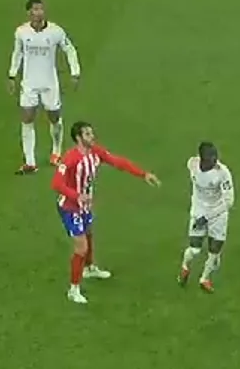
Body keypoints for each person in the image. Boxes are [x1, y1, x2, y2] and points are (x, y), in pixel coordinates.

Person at [50, 121, 160, 304]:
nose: (92, 136)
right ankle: (73, 289)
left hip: (85, 205)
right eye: (87, 134)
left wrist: (143, 174)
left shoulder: (95, 152)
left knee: (88, 233)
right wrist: (77, 195)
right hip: (70, 207)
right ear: (78, 138)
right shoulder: (70, 158)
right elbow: (56, 183)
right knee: (81, 247)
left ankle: (89, 268)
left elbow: (118, 162)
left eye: (91, 133)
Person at [10, 0, 80, 173]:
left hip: (49, 83)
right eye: (35, 9)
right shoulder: (21, 32)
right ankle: (30, 162)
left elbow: (69, 49)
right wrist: (12, 75)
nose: (39, 12)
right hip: (29, 83)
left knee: (54, 117)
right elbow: (17, 53)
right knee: (27, 118)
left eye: (41, 9)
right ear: (29, 12)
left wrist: (75, 72)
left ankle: (56, 151)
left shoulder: (55, 31)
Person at [180, 142, 236, 293]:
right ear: (202, 158)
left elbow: (229, 201)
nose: (215, 159)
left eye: (215, 155)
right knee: (195, 249)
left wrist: (208, 217)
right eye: (211, 157)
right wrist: (201, 215)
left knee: (215, 250)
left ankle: (204, 278)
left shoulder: (223, 173)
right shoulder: (192, 164)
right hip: (199, 211)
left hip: (218, 212)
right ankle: (185, 267)